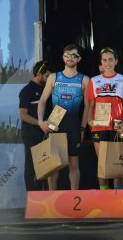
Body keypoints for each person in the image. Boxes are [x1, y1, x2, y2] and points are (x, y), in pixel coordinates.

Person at [38, 44, 90, 190]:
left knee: (73, 165)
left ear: (79, 59)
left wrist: (82, 128)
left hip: (73, 124)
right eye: (67, 55)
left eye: (73, 55)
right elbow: (42, 101)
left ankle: (74, 197)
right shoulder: (54, 77)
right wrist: (41, 121)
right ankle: (51, 199)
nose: (70, 58)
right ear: (63, 57)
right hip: (55, 122)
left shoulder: (85, 80)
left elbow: (88, 106)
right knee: (53, 165)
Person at [87, 47, 123, 190]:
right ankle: (104, 194)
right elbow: (90, 103)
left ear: (116, 61)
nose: (108, 63)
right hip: (99, 126)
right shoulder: (94, 81)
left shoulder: (122, 79)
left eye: (111, 60)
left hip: (117, 126)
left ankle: (118, 194)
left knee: (118, 161)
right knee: (103, 162)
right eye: (105, 60)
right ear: (101, 62)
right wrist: (89, 120)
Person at [19, 60, 51, 191]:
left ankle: (42, 198)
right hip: (31, 133)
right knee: (31, 166)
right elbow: (23, 115)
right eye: (47, 76)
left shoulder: (46, 89)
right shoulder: (27, 91)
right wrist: (39, 123)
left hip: (45, 133)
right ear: (39, 74)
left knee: (45, 165)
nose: (49, 79)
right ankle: (32, 199)